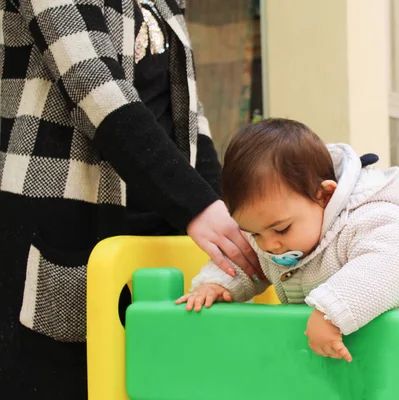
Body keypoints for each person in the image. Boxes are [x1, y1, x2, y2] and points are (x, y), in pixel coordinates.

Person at [0, 1, 260, 398]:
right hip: (65, 218)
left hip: (160, 236)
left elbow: (188, 114)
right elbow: (92, 82)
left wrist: (226, 209)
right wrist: (198, 205)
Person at [176, 118, 399, 363]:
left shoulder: (374, 216)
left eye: (281, 230)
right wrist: (216, 285)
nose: (268, 245)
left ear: (325, 196)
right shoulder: (271, 231)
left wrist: (332, 311)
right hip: (348, 335)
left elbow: (386, 267)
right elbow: (246, 259)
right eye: (255, 233)